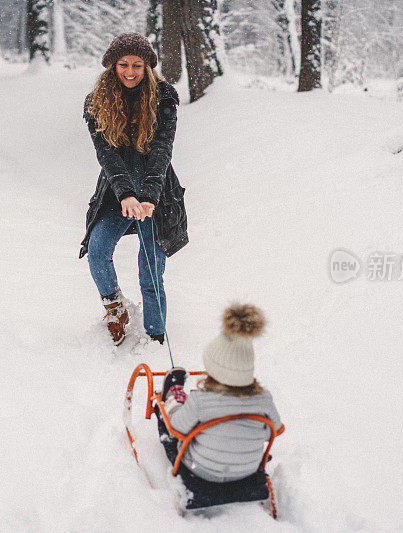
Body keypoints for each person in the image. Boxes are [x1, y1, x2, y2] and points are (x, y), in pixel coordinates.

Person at [80, 33, 188, 346]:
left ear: (148, 67)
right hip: (116, 191)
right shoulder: (96, 102)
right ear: (112, 67)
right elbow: (107, 154)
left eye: (137, 65)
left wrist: (149, 195)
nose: (130, 71)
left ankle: (155, 337)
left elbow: (162, 149)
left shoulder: (163, 96)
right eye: (123, 64)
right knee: (98, 250)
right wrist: (126, 192)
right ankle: (116, 309)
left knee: (150, 268)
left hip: (158, 193)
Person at [156, 304, 283, 484]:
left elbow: (176, 428)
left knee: (166, 416)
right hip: (248, 469)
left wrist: (173, 408)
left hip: (201, 470)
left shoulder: (201, 401)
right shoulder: (264, 400)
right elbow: (274, 430)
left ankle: (174, 396)